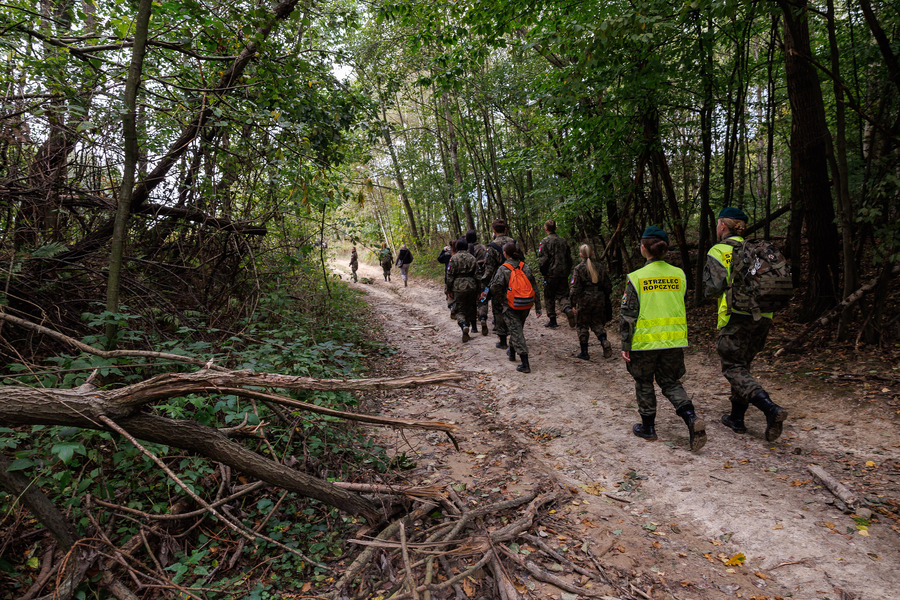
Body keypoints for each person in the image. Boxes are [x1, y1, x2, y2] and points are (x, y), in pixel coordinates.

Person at [704, 206, 788, 442]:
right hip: (765, 316)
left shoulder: (719, 250)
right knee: (743, 365)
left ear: (722, 225)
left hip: (735, 316)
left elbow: (714, 287)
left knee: (732, 367)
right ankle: (736, 418)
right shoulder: (758, 249)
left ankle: (770, 409)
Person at [620, 226, 706, 451]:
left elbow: (628, 315)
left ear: (643, 248)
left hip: (644, 342)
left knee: (644, 381)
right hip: (674, 341)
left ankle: (648, 428)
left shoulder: (637, 278)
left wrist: (625, 344)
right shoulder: (679, 275)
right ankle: (691, 418)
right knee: (670, 382)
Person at [488, 242, 542, 373]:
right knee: (516, 329)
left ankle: (525, 363)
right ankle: (511, 353)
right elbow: (535, 287)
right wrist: (538, 306)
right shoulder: (525, 267)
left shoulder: (503, 268)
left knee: (516, 332)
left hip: (511, 305)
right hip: (526, 304)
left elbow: (495, 287)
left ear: (505, 254)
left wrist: (502, 301)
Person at [570, 244, 613, 360]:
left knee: (582, 325)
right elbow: (608, 286)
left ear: (580, 255)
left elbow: (575, 288)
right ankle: (604, 341)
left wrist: (572, 303)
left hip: (584, 300)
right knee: (597, 323)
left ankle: (584, 352)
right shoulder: (600, 267)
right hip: (599, 299)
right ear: (592, 254)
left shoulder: (578, 269)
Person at [481, 219, 518, 348]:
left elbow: (489, 269)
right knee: (513, 307)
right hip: (514, 280)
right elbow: (521, 261)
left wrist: (484, 285)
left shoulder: (492, 246)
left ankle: (502, 340)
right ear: (506, 230)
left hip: (498, 282)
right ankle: (515, 336)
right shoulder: (514, 243)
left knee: (498, 309)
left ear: (494, 231)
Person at [538, 219, 574, 328]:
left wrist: (544, 272)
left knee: (549, 296)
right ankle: (567, 309)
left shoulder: (544, 242)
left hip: (550, 274)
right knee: (563, 294)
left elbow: (543, 260)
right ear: (555, 228)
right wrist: (567, 270)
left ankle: (552, 320)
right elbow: (569, 258)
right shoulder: (563, 241)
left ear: (546, 229)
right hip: (563, 273)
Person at [447, 239, 479, 342]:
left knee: (459, 309)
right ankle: (472, 326)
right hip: (471, 285)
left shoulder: (453, 259)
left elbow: (450, 276)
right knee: (471, 306)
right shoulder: (472, 258)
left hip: (458, 286)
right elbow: (478, 275)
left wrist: (449, 290)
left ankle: (464, 325)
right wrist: (480, 289)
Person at [466, 230, 489, 335]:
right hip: (482, 278)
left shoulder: (465, 250)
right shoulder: (483, 248)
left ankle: (474, 327)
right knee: (483, 300)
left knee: (471, 303)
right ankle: (483, 318)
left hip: (469, 281)